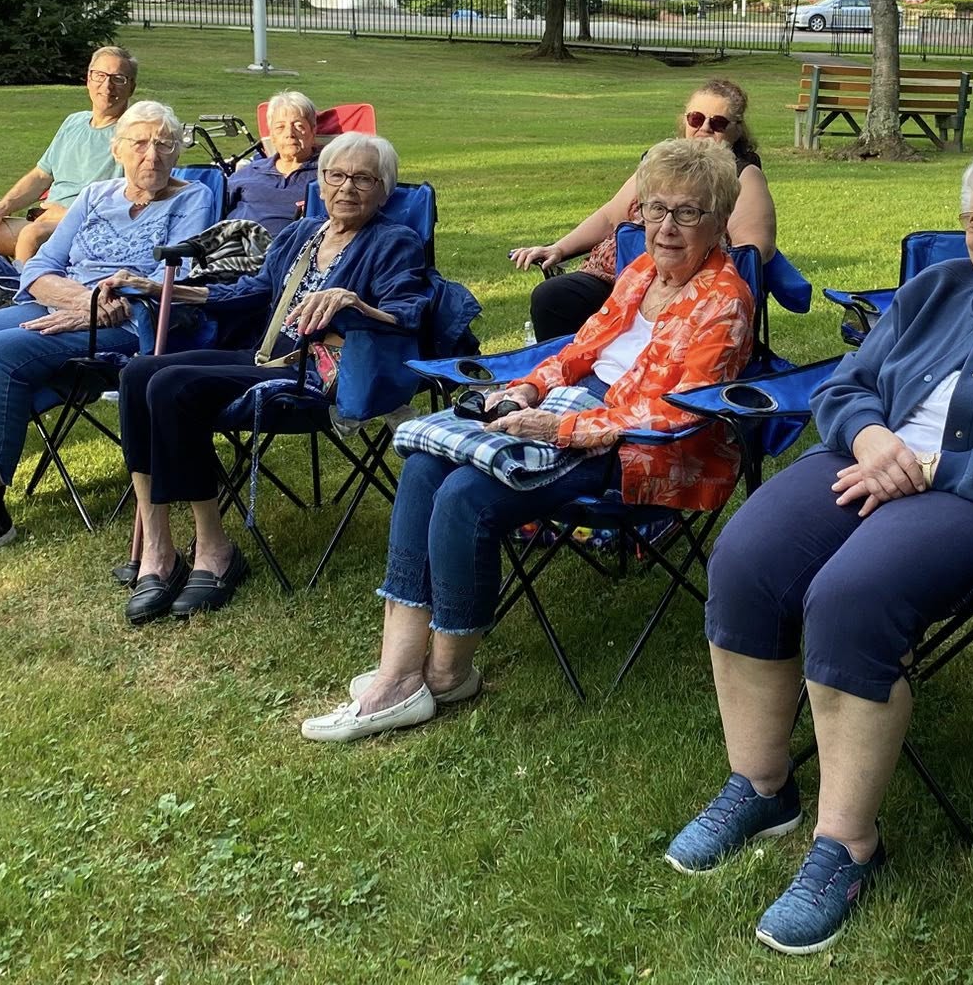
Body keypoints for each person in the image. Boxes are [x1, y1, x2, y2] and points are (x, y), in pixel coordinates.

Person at [665, 138, 973, 955]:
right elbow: (846, 386)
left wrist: (933, 466)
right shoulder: (936, 290)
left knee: (851, 596)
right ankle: (761, 785)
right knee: (746, 558)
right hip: (872, 461)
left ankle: (847, 846)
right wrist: (869, 438)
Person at [300, 137, 755, 743]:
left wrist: (558, 427)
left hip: (641, 449)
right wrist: (528, 390)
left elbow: (674, 413)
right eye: (656, 209)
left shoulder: (725, 302)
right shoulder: (641, 272)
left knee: (466, 494)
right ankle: (398, 668)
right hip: (576, 409)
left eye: (688, 213)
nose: (667, 227)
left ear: (719, 222)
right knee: (425, 465)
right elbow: (579, 350)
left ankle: (447, 674)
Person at [0, 101, 218, 572]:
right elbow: (38, 267)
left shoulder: (193, 198)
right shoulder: (95, 194)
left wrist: (98, 311)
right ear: (117, 150)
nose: (152, 154)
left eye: (164, 144)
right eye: (139, 143)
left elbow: (174, 279)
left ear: (177, 152)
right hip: (68, 303)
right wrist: (83, 301)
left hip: (129, 322)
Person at [108, 132, 429, 623]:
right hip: (263, 358)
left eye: (364, 178)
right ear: (321, 182)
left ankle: (215, 550)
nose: (347, 187)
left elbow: (409, 314)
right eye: (336, 176)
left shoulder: (394, 241)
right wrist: (161, 288)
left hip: (315, 376)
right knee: (137, 373)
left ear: (383, 190)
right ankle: (158, 548)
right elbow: (251, 291)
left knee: (173, 387)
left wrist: (354, 303)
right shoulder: (303, 234)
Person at [509, 78, 776, 340]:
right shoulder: (662, 163)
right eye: (696, 118)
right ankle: (572, 365)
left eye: (717, 123)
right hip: (614, 277)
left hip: (681, 282)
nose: (704, 128)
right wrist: (559, 248)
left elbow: (752, 252)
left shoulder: (742, 175)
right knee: (553, 297)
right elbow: (611, 216)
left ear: (737, 130)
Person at [0, 46, 137, 263]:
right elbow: (41, 175)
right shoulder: (74, 122)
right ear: (88, 79)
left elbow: (132, 200)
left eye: (118, 79)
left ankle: (23, 284)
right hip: (46, 220)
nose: (107, 86)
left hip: (90, 226)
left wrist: (68, 214)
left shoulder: (133, 133)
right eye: (100, 75)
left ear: (131, 87)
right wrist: (1, 208)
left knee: (31, 235)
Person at [223, 90, 320, 235]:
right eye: (280, 127)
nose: (289, 134)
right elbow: (217, 208)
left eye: (298, 126)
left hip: (286, 245)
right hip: (233, 242)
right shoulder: (251, 171)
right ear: (272, 136)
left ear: (313, 131)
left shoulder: (328, 175)